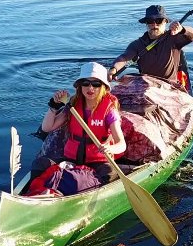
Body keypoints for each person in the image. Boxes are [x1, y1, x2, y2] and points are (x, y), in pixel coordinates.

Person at [27, 62, 127, 191]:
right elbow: (47, 128)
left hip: (98, 162)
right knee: (39, 164)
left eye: (96, 84)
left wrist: (110, 148)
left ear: (103, 87)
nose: (90, 88)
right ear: (80, 86)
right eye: (85, 83)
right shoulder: (73, 105)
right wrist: (53, 107)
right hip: (71, 159)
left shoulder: (109, 110)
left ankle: (63, 188)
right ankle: (35, 192)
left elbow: (121, 144)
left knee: (108, 174)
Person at [108, 5, 193, 91]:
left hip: (169, 86)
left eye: (159, 20)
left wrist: (182, 29)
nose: (154, 24)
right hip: (147, 86)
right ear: (146, 24)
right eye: (150, 21)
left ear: (165, 22)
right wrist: (114, 68)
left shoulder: (174, 39)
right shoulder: (137, 44)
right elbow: (124, 58)